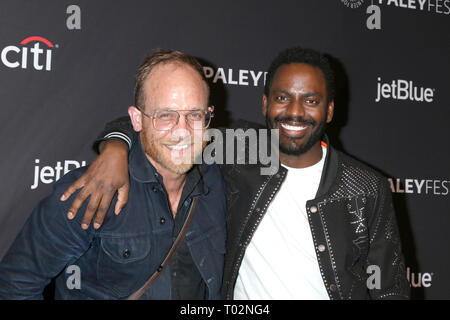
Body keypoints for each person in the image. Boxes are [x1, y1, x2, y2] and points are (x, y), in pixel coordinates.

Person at [60, 47, 410, 299]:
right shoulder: (242, 149)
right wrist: (115, 148)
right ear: (264, 104)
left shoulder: (365, 187)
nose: (295, 112)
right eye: (283, 97)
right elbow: (157, 124)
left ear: (330, 110)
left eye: (312, 100)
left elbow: (390, 288)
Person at [0, 49, 227, 299]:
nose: (183, 130)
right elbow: (15, 286)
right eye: (166, 116)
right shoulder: (94, 189)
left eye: (194, 115)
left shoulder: (220, 181)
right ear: (137, 119)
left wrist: (116, 140)